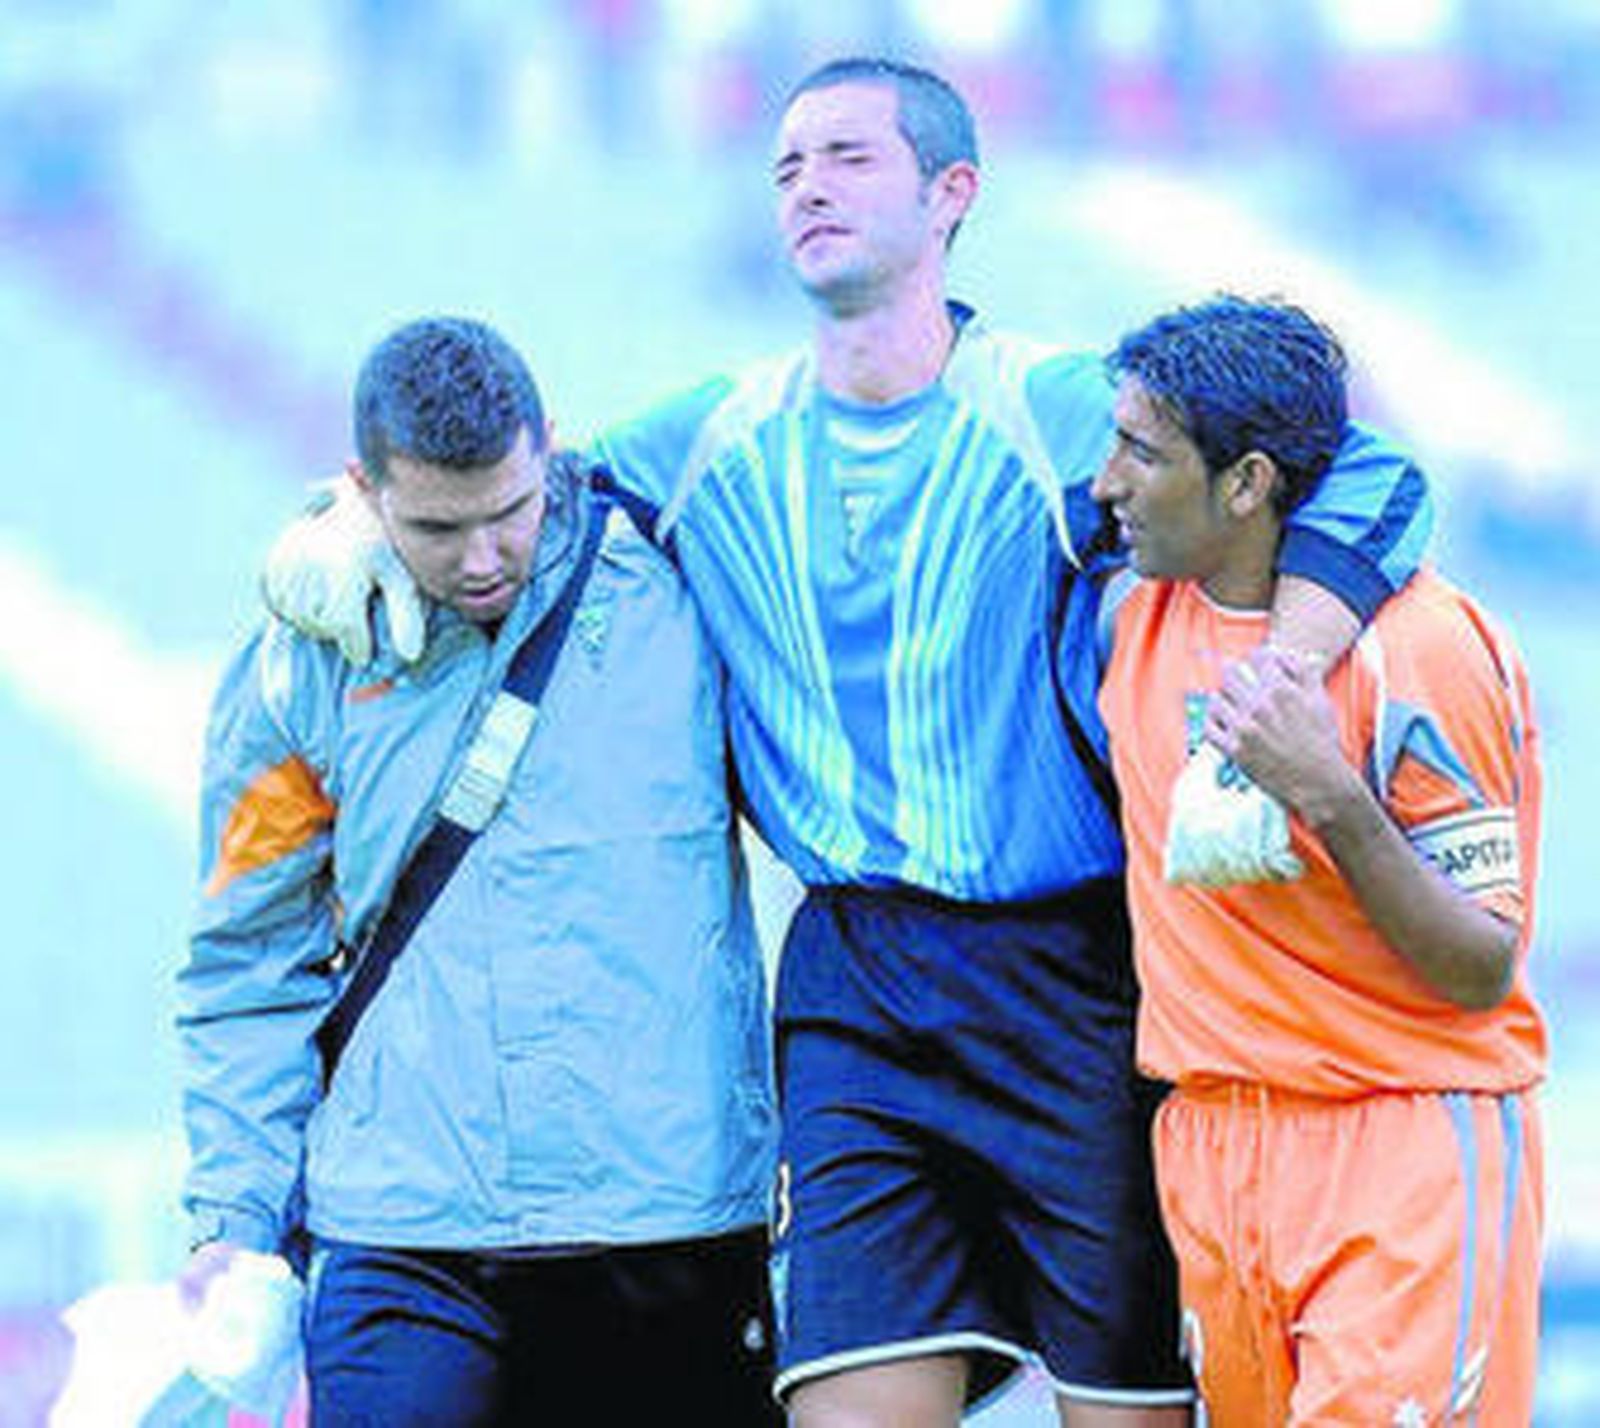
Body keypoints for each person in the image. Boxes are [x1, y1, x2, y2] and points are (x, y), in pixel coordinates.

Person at [262, 60, 1437, 1427]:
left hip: (1067, 976)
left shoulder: (1054, 410)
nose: (807, 183)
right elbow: (514, 496)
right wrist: (328, 527)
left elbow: (1374, 471)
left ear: (955, 196)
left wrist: (1286, 678)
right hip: (850, 985)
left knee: (1128, 1411)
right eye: (784, 166)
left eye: (847, 156)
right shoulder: (710, 435)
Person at [176, 316, 780, 1426]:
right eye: (438, 528)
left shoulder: (687, 584)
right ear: (363, 488)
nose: (484, 556)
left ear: (550, 448)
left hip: (668, 1218)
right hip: (402, 1234)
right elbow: (247, 960)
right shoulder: (297, 655)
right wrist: (237, 1225)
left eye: (511, 509)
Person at [1093, 295, 1546, 1426]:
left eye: (1142, 453)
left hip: (1398, 1145)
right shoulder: (1128, 620)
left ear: (1246, 483)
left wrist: (1331, 799)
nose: (1107, 481)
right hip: (1211, 1149)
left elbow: (1482, 965)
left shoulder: (1425, 650)